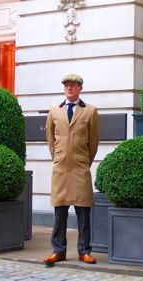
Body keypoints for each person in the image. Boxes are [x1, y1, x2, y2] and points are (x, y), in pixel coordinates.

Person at [44, 73, 100, 264]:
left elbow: (93, 142)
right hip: (61, 169)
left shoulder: (90, 111)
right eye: (67, 85)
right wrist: (58, 158)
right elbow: (51, 139)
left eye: (73, 85)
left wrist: (85, 161)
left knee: (83, 213)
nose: (69, 88)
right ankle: (58, 251)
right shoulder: (54, 110)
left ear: (80, 88)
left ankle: (84, 251)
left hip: (80, 167)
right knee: (60, 213)